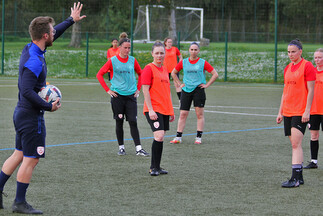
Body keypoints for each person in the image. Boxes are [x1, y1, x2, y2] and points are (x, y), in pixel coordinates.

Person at [0, 2, 86, 214]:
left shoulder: (31, 47)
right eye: (51, 31)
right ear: (45, 36)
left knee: (19, 154)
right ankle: (19, 202)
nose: (54, 33)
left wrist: (71, 21)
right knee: (32, 158)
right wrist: (48, 106)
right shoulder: (35, 61)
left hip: (21, 114)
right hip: (30, 117)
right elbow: (26, 90)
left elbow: (53, 34)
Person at [97, 38, 149, 157]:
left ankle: (139, 149)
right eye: (125, 47)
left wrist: (138, 88)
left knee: (133, 121)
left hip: (131, 96)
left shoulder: (132, 60)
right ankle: (121, 148)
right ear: (119, 47)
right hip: (117, 97)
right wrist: (108, 90)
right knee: (119, 121)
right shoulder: (113, 61)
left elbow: (141, 73)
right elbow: (99, 74)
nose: (127, 50)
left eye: (129, 48)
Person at [276, 39, 316, 188]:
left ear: (300, 51)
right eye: (288, 52)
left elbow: (311, 90)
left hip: (300, 111)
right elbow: (285, 92)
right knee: (294, 144)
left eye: (293, 51)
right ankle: (299, 176)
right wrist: (280, 111)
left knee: (295, 144)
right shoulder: (287, 68)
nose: (290, 54)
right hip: (288, 110)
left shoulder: (307, 66)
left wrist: (307, 110)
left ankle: (295, 179)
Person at [170, 42, 218, 145]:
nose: (193, 51)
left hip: (198, 90)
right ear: (189, 50)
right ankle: (178, 137)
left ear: (198, 51)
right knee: (183, 114)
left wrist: (207, 85)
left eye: (195, 50)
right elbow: (173, 73)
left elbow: (215, 74)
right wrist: (179, 84)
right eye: (191, 49)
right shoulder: (184, 62)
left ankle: (198, 137)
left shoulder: (202, 62)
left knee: (199, 114)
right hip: (186, 90)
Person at [142, 41, 175, 176]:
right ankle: (152, 167)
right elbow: (145, 90)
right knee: (159, 135)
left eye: (162, 53)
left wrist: (171, 110)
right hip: (153, 109)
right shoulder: (148, 68)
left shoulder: (165, 70)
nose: (159, 55)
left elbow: (167, 92)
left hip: (165, 109)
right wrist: (150, 109)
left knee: (161, 138)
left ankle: (158, 166)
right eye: (157, 53)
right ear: (152, 54)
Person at [304, 48, 323, 169]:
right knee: (313, 136)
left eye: (320, 57)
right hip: (313, 110)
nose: (317, 60)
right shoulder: (312, 72)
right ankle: (314, 161)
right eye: (315, 57)